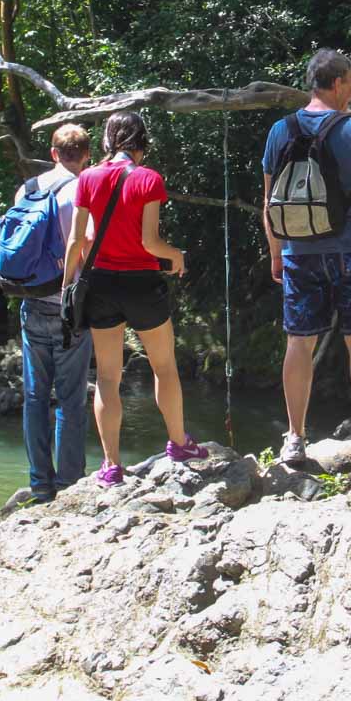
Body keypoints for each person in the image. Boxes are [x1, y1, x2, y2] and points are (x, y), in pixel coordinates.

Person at [261, 49, 351, 469]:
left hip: (299, 252)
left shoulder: (280, 130)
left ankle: (295, 438)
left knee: (299, 343)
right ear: (337, 83)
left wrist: (275, 252)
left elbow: (268, 201)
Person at [64, 111, 207, 485]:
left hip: (100, 285)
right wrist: (176, 256)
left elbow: (78, 241)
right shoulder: (149, 179)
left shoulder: (88, 178)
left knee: (109, 377)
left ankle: (110, 466)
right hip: (142, 284)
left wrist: (68, 287)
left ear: (108, 141)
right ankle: (178, 443)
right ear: (141, 141)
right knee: (164, 367)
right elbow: (149, 242)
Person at [16, 123, 94, 502]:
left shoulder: (28, 189)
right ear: (87, 155)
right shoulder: (83, 190)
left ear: (52, 153)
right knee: (70, 398)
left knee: (35, 397)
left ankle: (39, 483)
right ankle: (69, 482)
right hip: (70, 305)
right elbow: (89, 241)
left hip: (31, 302)